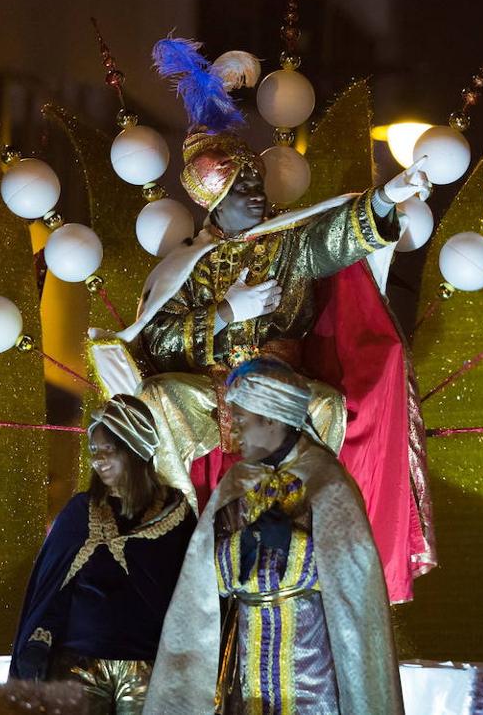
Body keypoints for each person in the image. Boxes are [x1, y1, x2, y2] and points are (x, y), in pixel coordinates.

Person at [96, 36, 436, 603]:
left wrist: (384, 201)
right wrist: (227, 313)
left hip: (276, 386)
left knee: (327, 407)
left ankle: (313, 525)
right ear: (214, 202)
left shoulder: (283, 246)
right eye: (241, 188)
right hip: (209, 391)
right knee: (153, 402)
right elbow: (158, 334)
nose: (256, 195)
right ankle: (175, 531)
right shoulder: (185, 264)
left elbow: (329, 243)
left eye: (256, 183)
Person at [144, 357, 403, 715]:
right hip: (246, 663)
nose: (233, 434)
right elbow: (206, 576)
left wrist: (290, 544)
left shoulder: (327, 480)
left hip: (310, 666)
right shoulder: (236, 483)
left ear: (271, 419)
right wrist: (247, 543)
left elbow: (351, 578)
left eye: (242, 422)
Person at [10, 395, 195, 715]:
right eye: (94, 451)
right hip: (78, 666)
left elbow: (191, 596)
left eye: (109, 450)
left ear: (136, 450)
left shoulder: (176, 515)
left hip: (148, 668)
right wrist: (38, 644)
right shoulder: (80, 512)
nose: (99, 460)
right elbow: (53, 590)